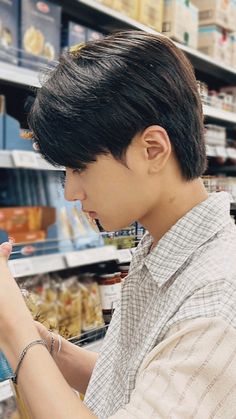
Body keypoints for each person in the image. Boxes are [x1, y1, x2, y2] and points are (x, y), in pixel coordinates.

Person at [0, 31, 236, 419]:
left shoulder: (217, 299)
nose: (71, 192)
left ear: (152, 150)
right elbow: (137, 386)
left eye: (79, 167)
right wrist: (46, 346)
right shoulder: (160, 246)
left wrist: (15, 329)